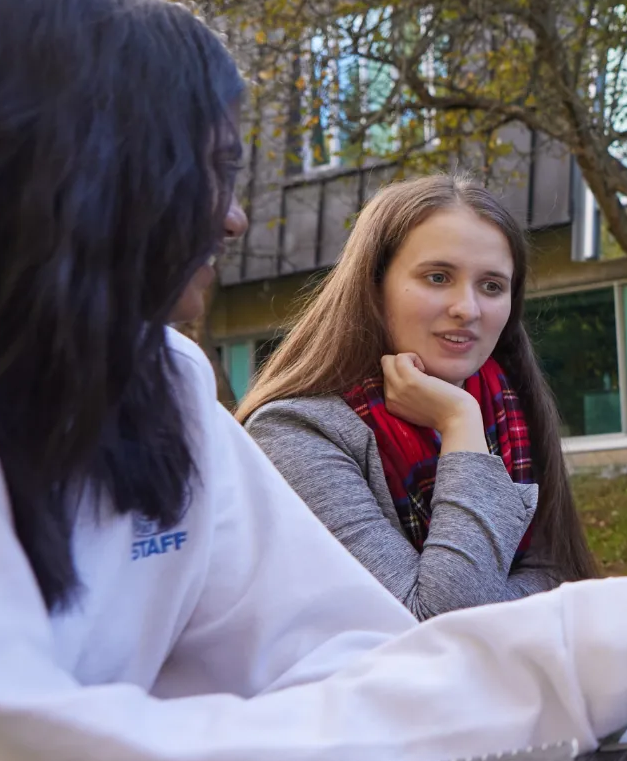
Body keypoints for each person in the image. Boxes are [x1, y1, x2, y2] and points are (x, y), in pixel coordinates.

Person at [0, 0, 627, 761]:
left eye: (493, 286)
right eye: (208, 169)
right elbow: (18, 754)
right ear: (91, 175)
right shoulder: (298, 429)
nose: (233, 219)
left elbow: (341, 653)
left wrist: (577, 653)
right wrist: (546, 669)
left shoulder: (164, 393)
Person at [239, 176, 598, 618]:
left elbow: (561, 574)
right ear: (373, 286)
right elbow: (436, 621)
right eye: (437, 277)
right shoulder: (293, 433)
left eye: (491, 286)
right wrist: (459, 424)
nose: (467, 308)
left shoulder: (508, 410)